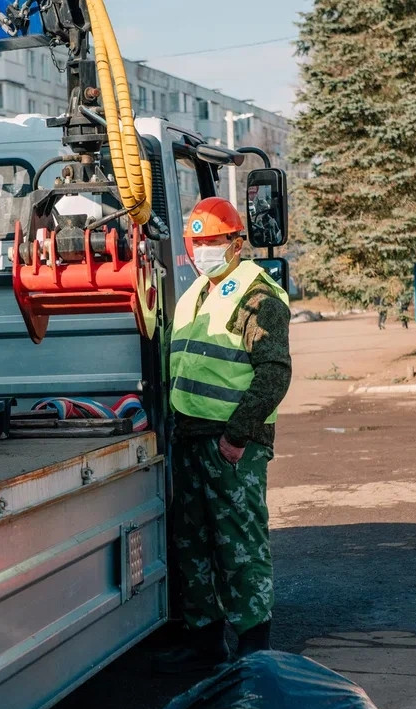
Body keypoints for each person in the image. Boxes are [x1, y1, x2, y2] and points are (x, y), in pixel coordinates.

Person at [157, 197, 292, 673]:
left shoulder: (258, 296)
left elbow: (274, 374)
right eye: (196, 243)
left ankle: (255, 647)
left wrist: (237, 436)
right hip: (191, 436)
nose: (203, 251)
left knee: (239, 541)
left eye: (213, 241)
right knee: (193, 542)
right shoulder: (196, 292)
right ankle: (204, 643)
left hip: (231, 443)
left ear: (237, 243)